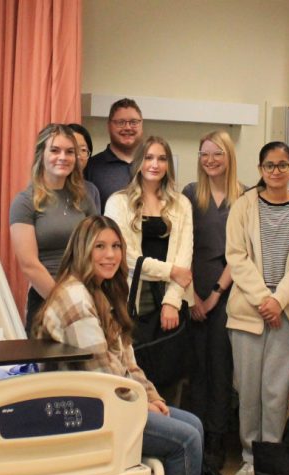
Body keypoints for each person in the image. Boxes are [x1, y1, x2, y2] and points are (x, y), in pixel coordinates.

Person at [34, 215, 209, 475]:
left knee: (193, 424)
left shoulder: (104, 290)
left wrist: (154, 397)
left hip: (109, 403)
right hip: (87, 413)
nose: (110, 255)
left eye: (115, 247)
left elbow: (127, 361)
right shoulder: (75, 298)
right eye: (100, 247)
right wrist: (141, 403)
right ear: (83, 250)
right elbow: (102, 377)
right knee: (185, 440)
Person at [225, 141, 289, 475]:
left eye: (282, 165)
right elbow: (236, 256)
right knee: (249, 389)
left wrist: (279, 300)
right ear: (260, 169)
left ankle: (271, 456)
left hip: (286, 313)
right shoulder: (243, 206)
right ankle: (250, 458)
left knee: (276, 390)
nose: (276, 172)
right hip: (249, 311)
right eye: (269, 166)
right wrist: (263, 299)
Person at [181, 131, 244, 470]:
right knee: (196, 367)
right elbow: (181, 244)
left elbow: (241, 252)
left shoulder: (244, 196)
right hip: (193, 286)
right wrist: (192, 296)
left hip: (229, 291)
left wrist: (215, 295)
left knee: (221, 366)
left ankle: (218, 439)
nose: (210, 160)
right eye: (204, 154)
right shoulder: (191, 194)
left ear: (228, 155)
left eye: (216, 153)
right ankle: (195, 436)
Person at [10, 124, 97, 333]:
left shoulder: (83, 198)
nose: (63, 157)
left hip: (85, 295)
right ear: (41, 154)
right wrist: (64, 302)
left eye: (70, 152)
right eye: (55, 150)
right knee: (50, 366)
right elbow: (29, 264)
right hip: (47, 299)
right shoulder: (25, 202)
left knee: (86, 365)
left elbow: (96, 246)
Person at [104, 136, 193, 333]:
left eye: (162, 159)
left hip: (171, 297)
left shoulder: (181, 204)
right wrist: (171, 271)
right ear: (138, 162)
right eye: (148, 157)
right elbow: (125, 257)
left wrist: (171, 302)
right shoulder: (117, 203)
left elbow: (184, 260)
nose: (155, 164)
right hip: (130, 296)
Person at [84, 98, 144, 210]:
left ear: (141, 125)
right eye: (120, 122)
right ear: (109, 126)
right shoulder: (91, 167)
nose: (127, 127)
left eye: (133, 122)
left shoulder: (153, 165)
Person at [66, 123, 102, 213]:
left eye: (83, 150)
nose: (78, 155)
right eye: (72, 149)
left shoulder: (91, 190)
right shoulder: (43, 189)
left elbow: (95, 225)